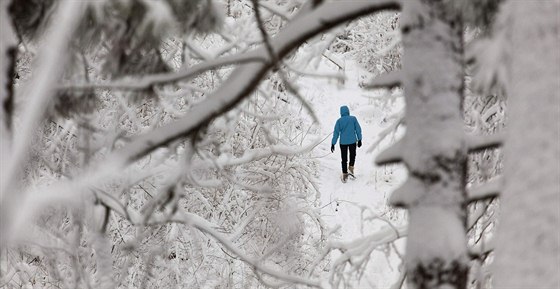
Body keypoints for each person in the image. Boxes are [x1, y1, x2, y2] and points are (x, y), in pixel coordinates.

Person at [331, 105, 362, 183]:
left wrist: (333, 143)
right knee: (353, 155)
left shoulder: (339, 121)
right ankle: (351, 169)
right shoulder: (353, 119)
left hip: (343, 143)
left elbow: (336, 133)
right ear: (348, 111)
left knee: (344, 159)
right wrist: (359, 139)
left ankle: (345, 174)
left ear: (341, 112)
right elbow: (358, 129)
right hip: (352, 142)